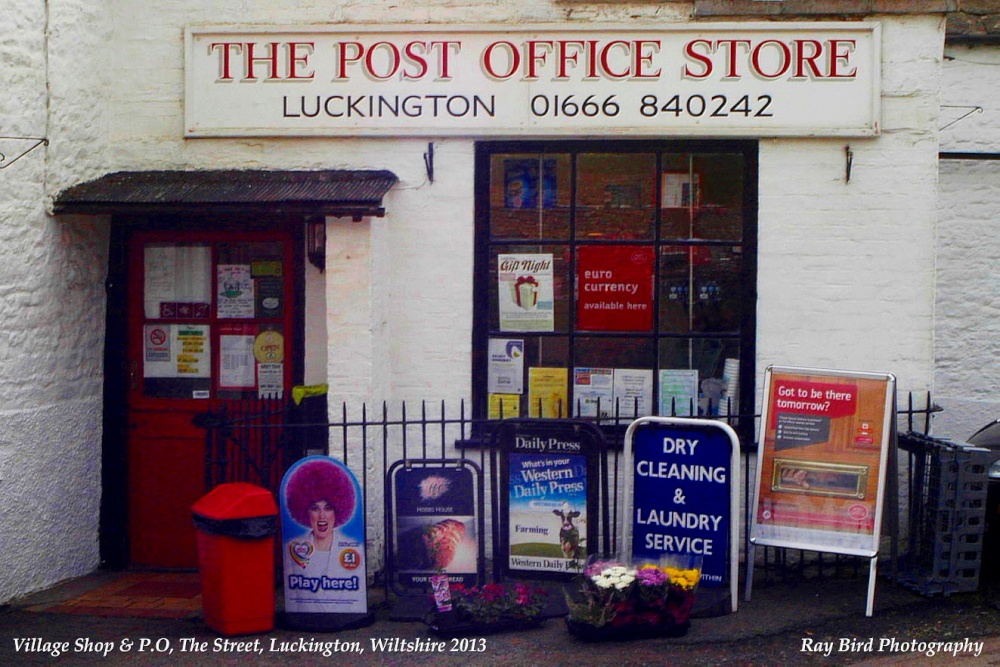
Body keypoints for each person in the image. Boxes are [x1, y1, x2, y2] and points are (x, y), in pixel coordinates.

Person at [282, 457, 359, 579]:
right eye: (315, 508)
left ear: (337, 511)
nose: (322, 515)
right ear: (305, 512)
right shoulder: (294, 548)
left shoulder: (353, 548)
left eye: (328, 508)